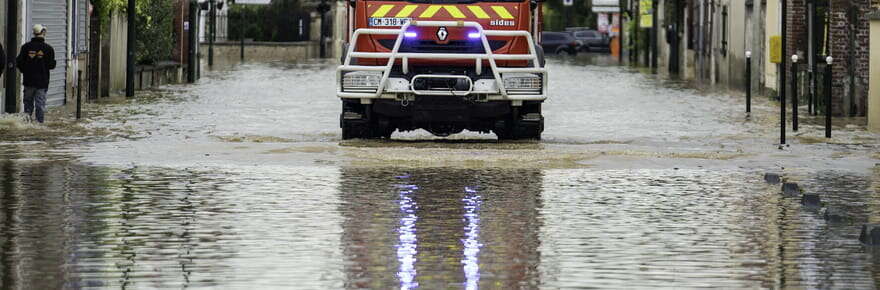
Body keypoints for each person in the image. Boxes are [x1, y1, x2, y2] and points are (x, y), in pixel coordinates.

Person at [17, 24, 55, 123]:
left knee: (28, 106)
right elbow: (51, 65)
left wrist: (25, 71)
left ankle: (26, 124)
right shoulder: (48, 49)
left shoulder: (25, 47)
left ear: (34, 33)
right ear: (43, 33)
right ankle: (39, 125)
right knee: (40, 106)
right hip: (41, 83)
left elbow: (19, 62)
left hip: (28, 82)